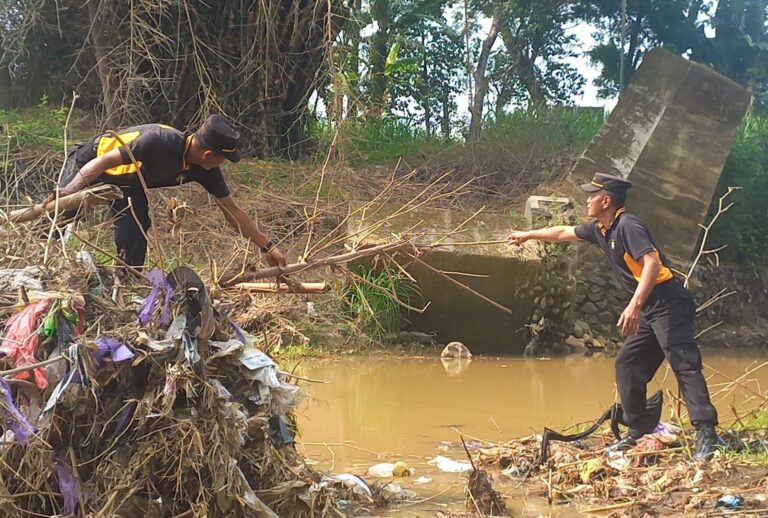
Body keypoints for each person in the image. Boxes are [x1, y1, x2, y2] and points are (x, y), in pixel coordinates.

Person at [507, 172, 718, 461]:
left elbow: (652, 264)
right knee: (627, 364)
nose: (587, 200)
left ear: (606, 200)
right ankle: (640, 430)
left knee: (684, 364)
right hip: (649, 308)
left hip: (668, 303)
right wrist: (527, 234)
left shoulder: (628, 226)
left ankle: (707, 433)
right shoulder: (601, 229)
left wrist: (633, 306)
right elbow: (563, 233)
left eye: (591, 196)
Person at [44, 114, 287, 269]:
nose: (223, 165)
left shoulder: (205, 169)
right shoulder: (158, 141)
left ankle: (128, 283)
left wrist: (267, 246)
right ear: (208, 154)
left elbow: (232, 211)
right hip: (90, 163)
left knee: (135, 231)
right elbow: (103, 162)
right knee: (59, 218)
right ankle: (39, 262)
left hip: (129, 183)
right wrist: (69, 190)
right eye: (225, 159)